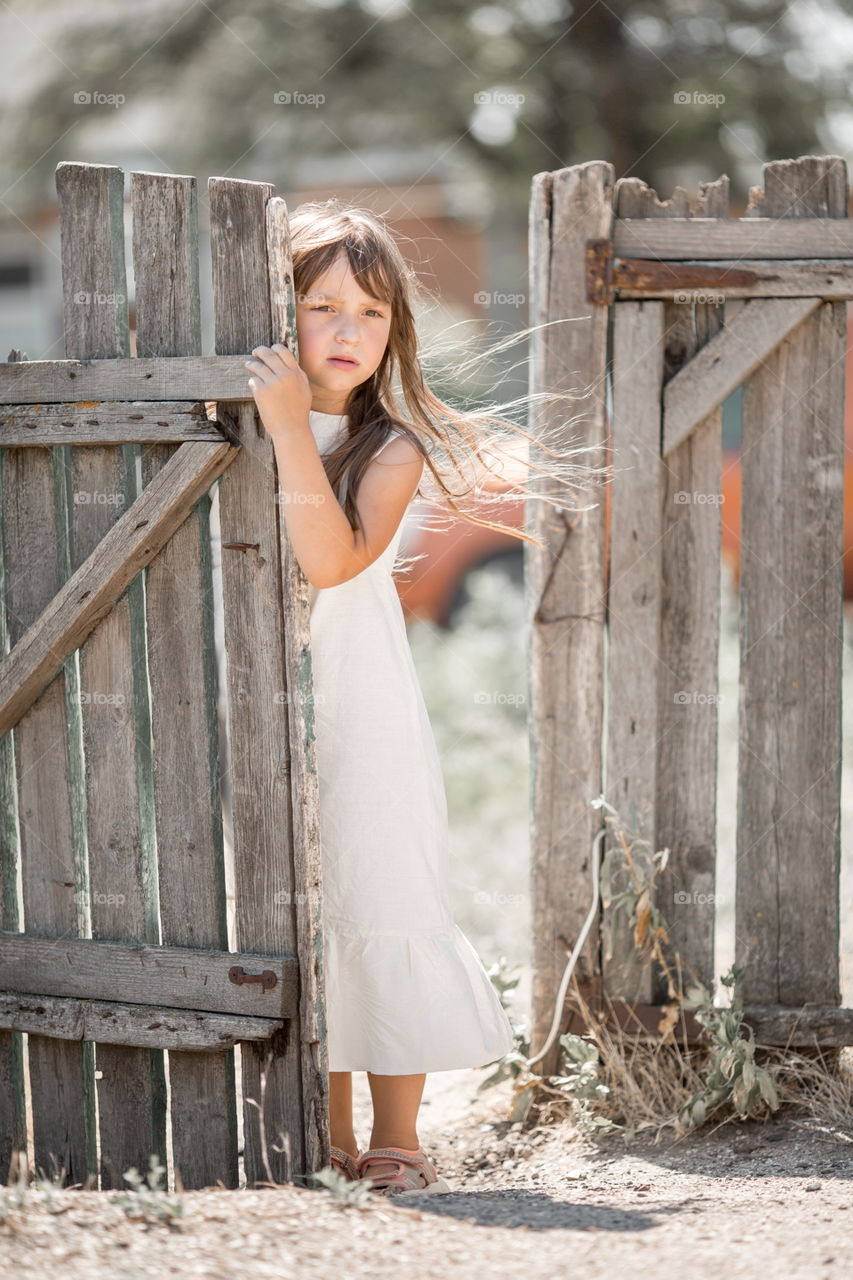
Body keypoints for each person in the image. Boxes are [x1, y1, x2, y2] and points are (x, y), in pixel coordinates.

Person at [244, 200, 606, 1196]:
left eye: (372, 310)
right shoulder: (237, 429)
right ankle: (319, 1130)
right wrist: (265, 422)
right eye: (322, 307)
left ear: (396, 329)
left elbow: (330, 558)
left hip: (363, 711)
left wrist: (284, 427)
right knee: (298, 914)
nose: (350, 329)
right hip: (259, 710)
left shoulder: (390, 446)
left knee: (383, 889)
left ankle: (396, 1132)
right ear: (280, 317)